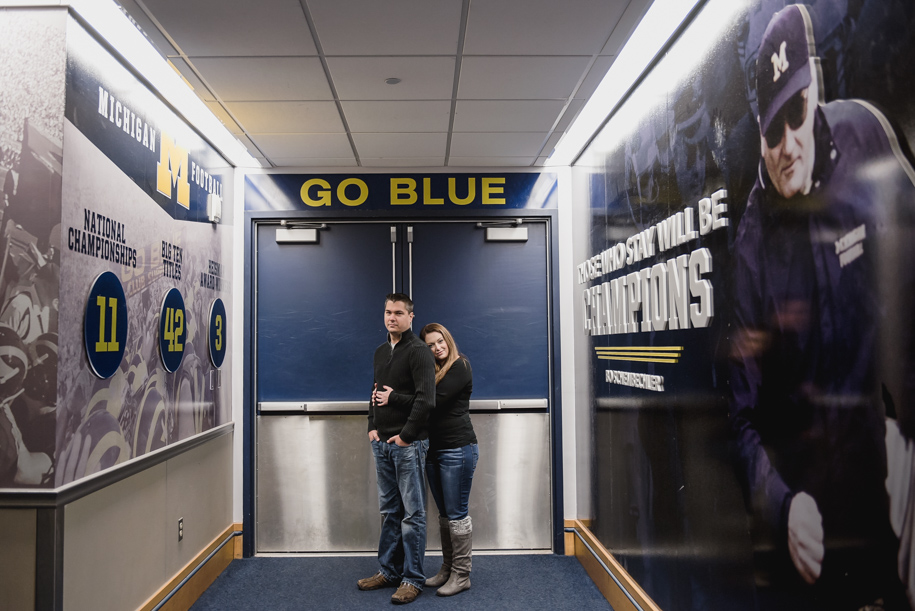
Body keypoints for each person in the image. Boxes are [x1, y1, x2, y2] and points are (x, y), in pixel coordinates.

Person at [728, 4, 915, 609]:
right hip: (814, 519)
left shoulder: (866, 133)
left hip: (892, 480)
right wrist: (781, 506)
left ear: (813, 89)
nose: (786, 147)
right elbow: (741, 415)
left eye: (796, 116)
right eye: (770, 129)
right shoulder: (752, 250)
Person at [357, 293, 436, 605]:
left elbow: (426, 400)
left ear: (410, 317)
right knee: (390, 511)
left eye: (399, 313)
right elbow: (375, 392)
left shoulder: (418, 352)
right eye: (388, 312)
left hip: (408, 446)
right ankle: (388, 571)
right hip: (383, 445)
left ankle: (412, 578)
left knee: (412, 514)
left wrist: (405, 437)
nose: (392, 317)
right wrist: (371, 426)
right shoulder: (380, 352)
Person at [419, 323, 478, 597]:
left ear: (448, 340)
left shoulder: (460, 366)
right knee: (445, 515)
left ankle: (462, 574)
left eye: (439, 341)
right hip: (434, 450)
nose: (436, 348)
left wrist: (397, 398)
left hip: (458, 449)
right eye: (430, 345)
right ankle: (447, 568)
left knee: (456, 514)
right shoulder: (431, 371)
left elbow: (432, 402)